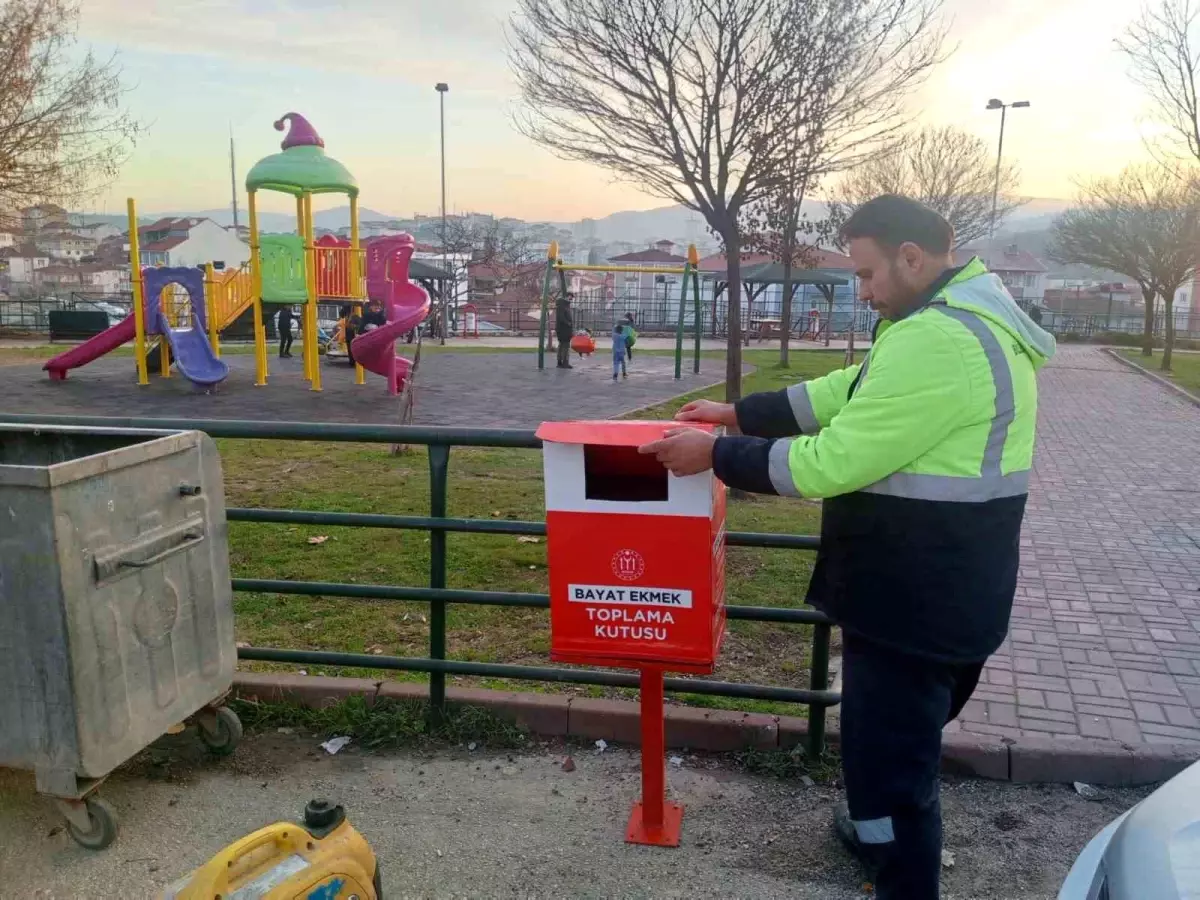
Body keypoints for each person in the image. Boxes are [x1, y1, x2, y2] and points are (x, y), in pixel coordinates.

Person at [637, 194, 1055, 900]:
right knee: (896, 751)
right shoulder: (953, 319)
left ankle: (899, 874)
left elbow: (829, 460)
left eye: (866, 274)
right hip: (948, 590)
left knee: (890, 770)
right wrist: (741, 411)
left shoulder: (939, 340)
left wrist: (717, 453)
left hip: (912, 603)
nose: (861, 291)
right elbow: (849, 391)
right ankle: (872, 830)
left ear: (913, 258)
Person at [554, 292, 575, 369]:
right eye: (571, 297)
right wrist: (568, 323)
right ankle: (564, 363)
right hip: (564, 329)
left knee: (562, 345)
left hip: (562, 329)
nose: (571, 299)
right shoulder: (563, 306)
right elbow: (561, 317)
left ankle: (560, 362)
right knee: (565, 346)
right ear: (567, 296)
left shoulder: (562, 305)